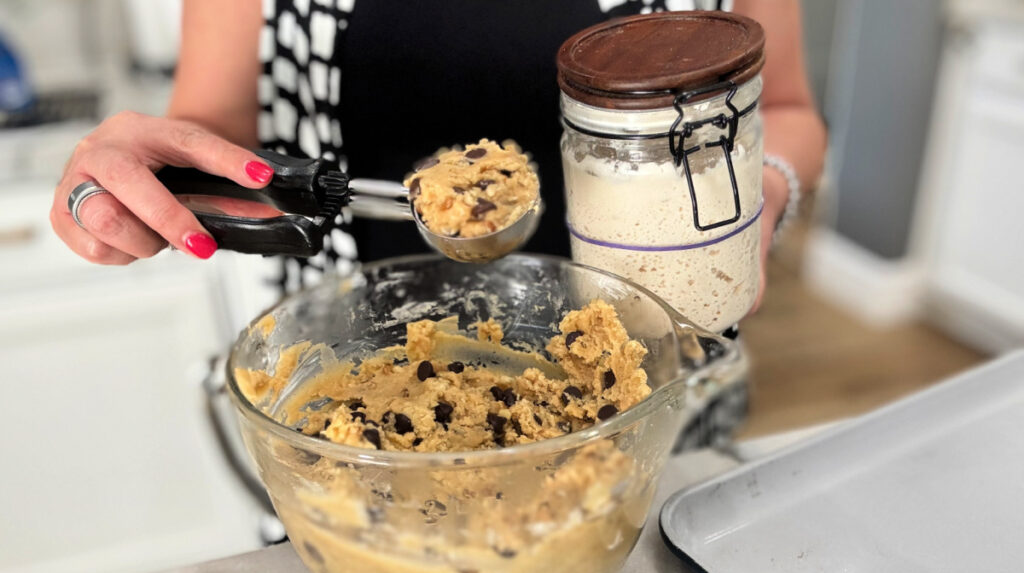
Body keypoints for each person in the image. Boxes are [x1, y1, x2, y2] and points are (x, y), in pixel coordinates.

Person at [50, 0, 825, 305]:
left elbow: (787, 112)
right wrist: (142, 182)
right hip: (355, 419)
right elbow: (216, 152)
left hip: (650, 389)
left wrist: (756, 211)